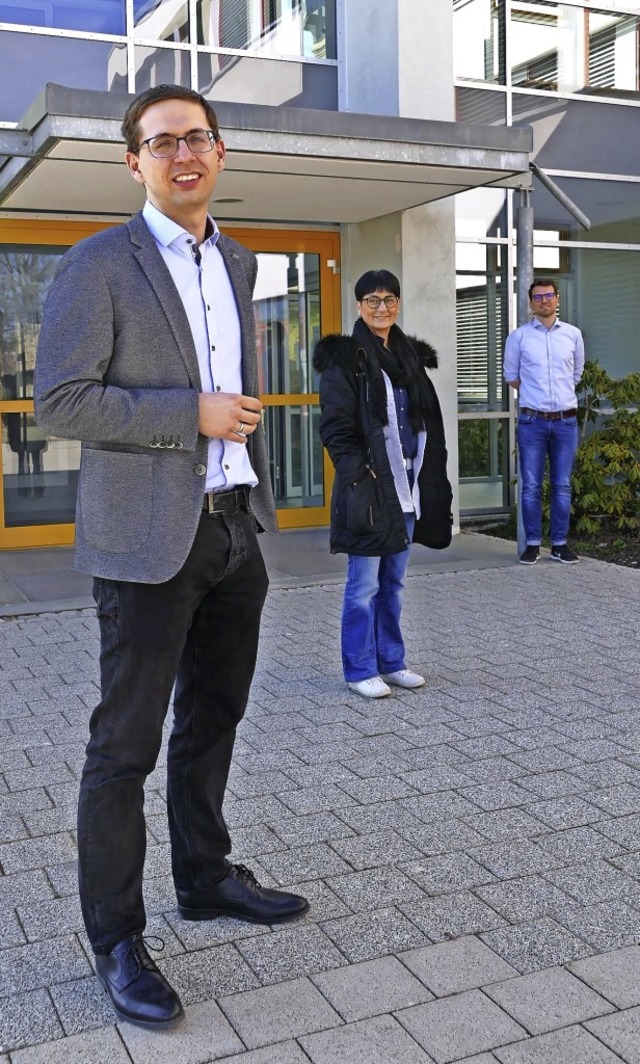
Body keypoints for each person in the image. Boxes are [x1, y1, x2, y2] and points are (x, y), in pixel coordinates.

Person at [34, 84, 308, 1032]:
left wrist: (240, 457)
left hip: (234, 526)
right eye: (162, 143)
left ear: (221, 151)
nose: (182, 154)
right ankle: (116, 937)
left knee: (217, 716)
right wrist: (184, 415)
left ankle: (204, 874)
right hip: (148, 541)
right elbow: (60, 402)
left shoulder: (238, 260)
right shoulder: (97, 265)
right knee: (124, 750)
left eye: (197, 138)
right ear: (134, 163)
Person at [312, 269, 452, 699]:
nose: (382, 308)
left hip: (407, 484)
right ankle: (358, 669)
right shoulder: (346, 358)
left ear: (398, 305)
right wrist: (359, 474)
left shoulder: (408, 357)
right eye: (372, 300)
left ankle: (391, 662)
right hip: (372, 487)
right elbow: (335, 427)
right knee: (365, 585)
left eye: (389, 299)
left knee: (394, 583)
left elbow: (425, 421)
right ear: (358, 306)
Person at [504, 279, 585, 565]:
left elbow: (575, 374)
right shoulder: (519, 337)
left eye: (549, 295)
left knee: (562, 485)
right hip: (533, 422)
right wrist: (534, 394)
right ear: (530, 303)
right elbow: (511, 376)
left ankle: (560, 544)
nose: (544, 300)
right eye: (538, 297)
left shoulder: (573, 335)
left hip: (565, 422)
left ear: (557, 299)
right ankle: (533, 544)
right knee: (531, 486)